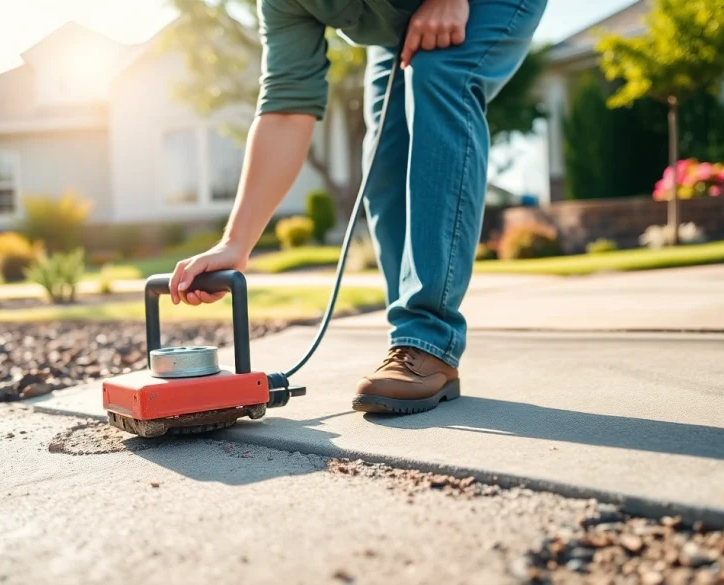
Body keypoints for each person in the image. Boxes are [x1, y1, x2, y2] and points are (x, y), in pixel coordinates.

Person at [169, 0, 547, 414]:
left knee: (442, 75)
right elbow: (286, 107)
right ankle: (410, 340)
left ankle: (428, 339)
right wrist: (234, 243)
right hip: (396, 27)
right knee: (384, 156)